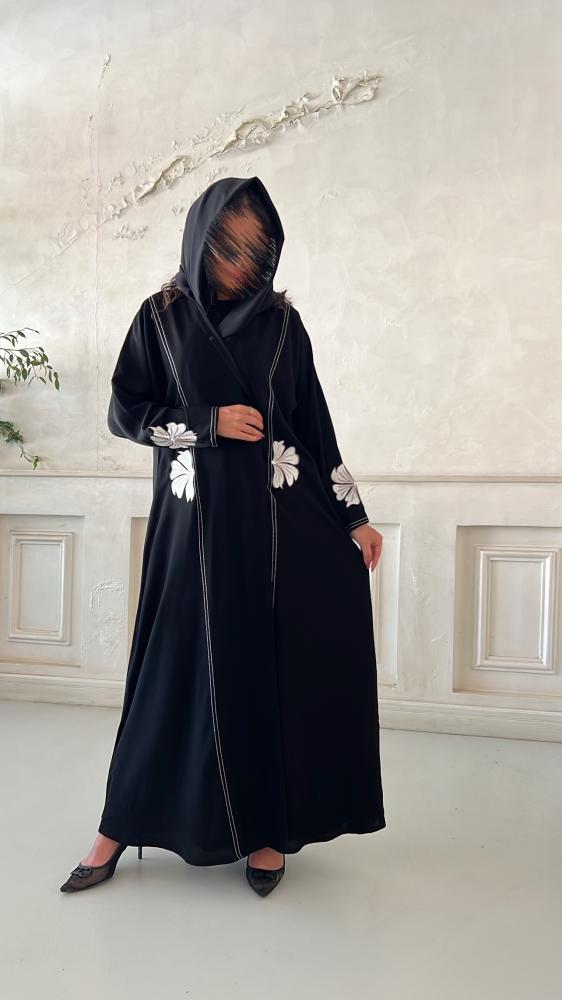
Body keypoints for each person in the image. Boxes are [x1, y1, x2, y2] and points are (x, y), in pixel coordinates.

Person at [59, 175, 386, 898]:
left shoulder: (283, 326)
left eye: (255, 252)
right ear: (201, 240)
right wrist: (207, 424)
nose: (241, 265)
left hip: (276, 531)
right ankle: (118, 826)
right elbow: (125, 413)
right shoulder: (161, 318)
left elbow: (314, 427)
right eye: (228, 248)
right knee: (170, 672)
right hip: (194, 533)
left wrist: (353, 517)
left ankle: (266, 832)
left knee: (267, 672)